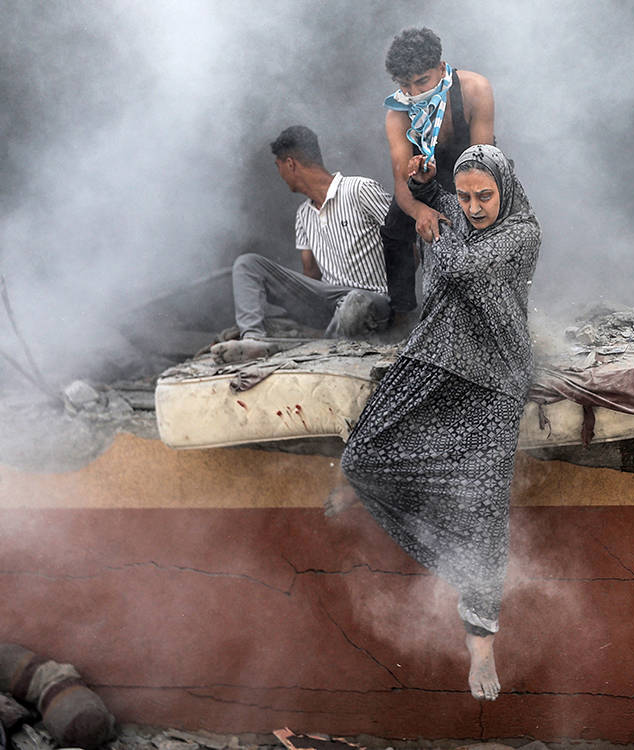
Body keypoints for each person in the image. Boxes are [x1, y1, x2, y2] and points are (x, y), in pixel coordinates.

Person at [336, 145, 539, 701]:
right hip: (436, 355)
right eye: (467, 196)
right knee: (362, 458)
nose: (473, 207)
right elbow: (433, 198)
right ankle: (452, 558)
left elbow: (459, 264)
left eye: (484, 196)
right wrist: (424, 187)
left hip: (494, 375)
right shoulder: (459, 206)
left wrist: (434, 219)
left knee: (484, 509)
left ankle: (481, 647)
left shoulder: (523, 232)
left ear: (506, 188)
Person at [211, 126, 392, 363]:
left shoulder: (360, 189)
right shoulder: (304, 214)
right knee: (248, 264)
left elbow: (407, 241)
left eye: (278, 168)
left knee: (355, 302)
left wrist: (403, 307)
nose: (280, 175)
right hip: (329, 299)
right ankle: (254, 339)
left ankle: (324, 350)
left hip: (373, 299)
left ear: (290, 164)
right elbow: (310, 276)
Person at [379, 27, 495, 322]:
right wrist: (420, 211)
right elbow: (400, 184)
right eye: (406, 85)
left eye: (422, 82)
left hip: (476, 168)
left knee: (481, 228)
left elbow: (483, 160)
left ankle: (488, 311)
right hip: (422, 178)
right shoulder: (397, 114)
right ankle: (403, 315)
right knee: (394, 232)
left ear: (441, 68)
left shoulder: (475, 89)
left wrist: (467, 209)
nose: (415, 93)